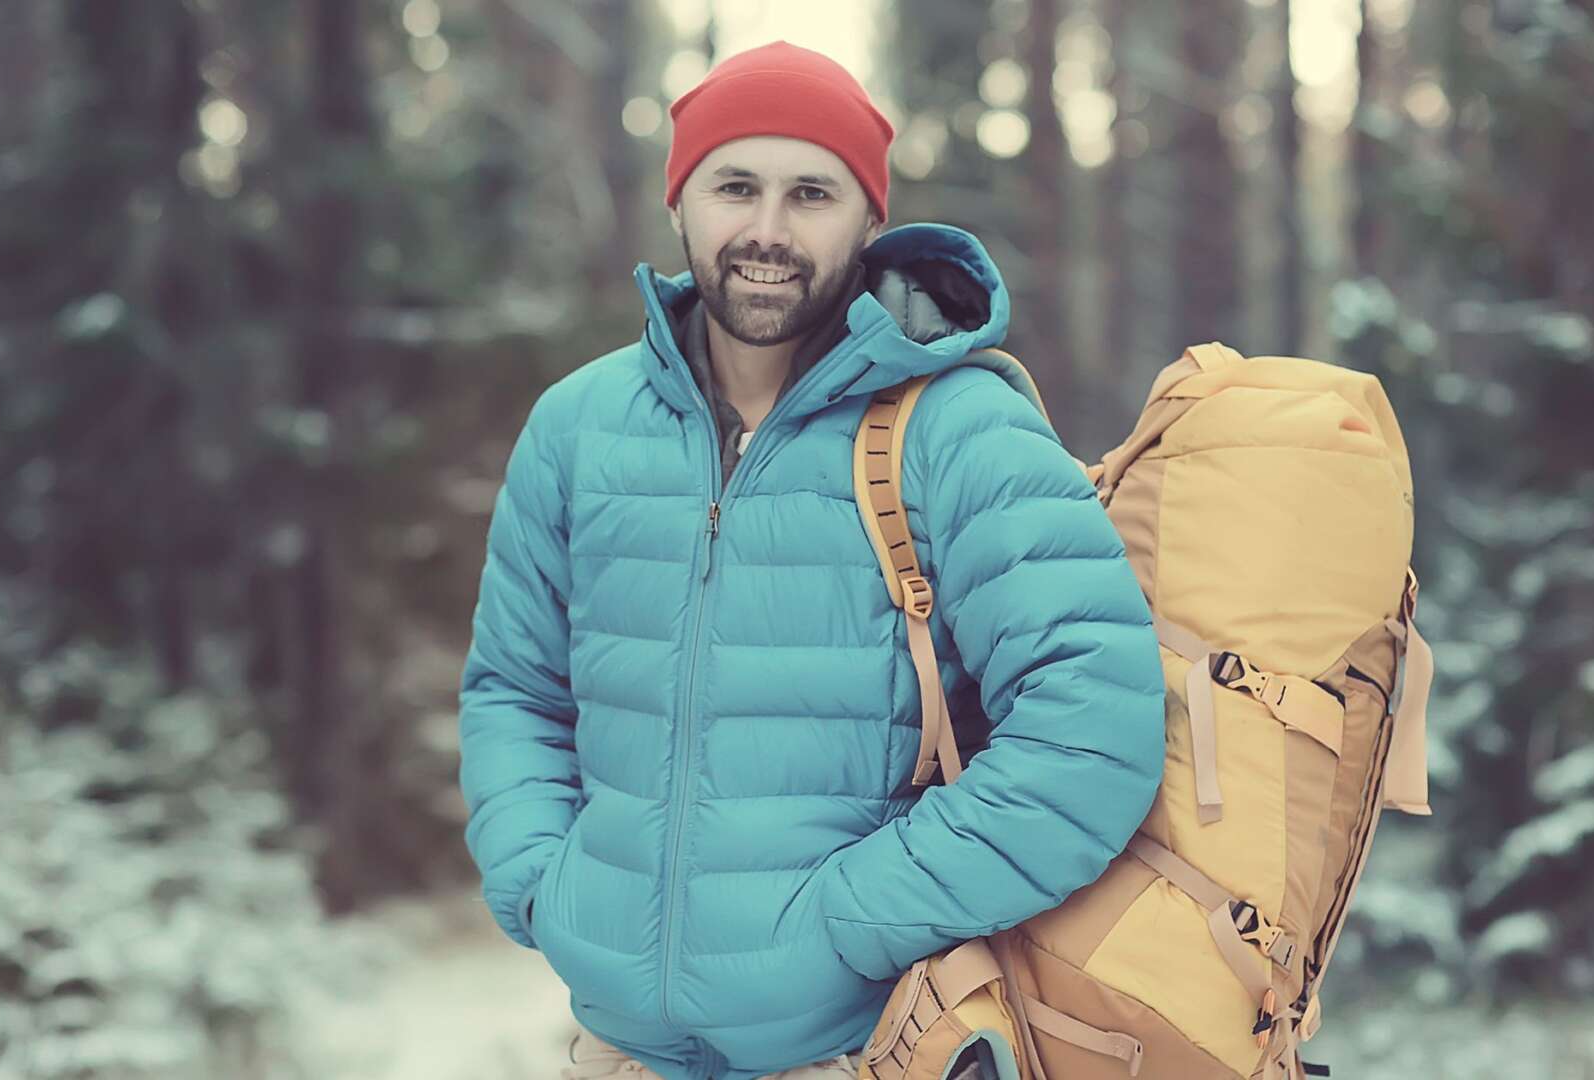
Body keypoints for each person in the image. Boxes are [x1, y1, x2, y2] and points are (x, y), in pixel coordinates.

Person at [458, 40, 1166, 1080]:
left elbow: (1093, 731)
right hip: (620, 1052)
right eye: (735, 186)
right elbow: (515, 689)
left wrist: (850, 922)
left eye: (812, 194)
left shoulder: (961, 430)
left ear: (870, 219)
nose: (769, 230)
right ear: (679, 200)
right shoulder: (578, 426)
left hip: (863, 1051)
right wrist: (541, 882)